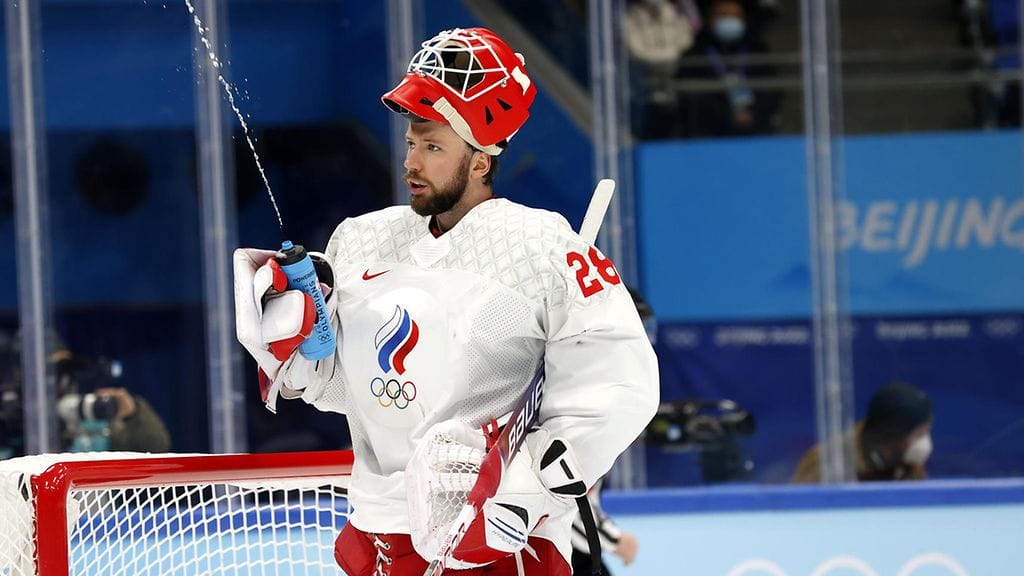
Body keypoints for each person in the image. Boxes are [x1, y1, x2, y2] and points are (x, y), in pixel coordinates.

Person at [234, 27, 659, 576]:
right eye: (413, 142)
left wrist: (523, 489)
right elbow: (353, 392)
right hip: (379, 531)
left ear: (481, 160)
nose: (412, 160)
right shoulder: (360, 240)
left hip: (499, 539)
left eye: (433, 147)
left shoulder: (545, 247)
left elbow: (621, 385)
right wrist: (302, 353)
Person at [791, 381, 934, 483]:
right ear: (892, 436)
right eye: (919, 434)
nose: (924, 443)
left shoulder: (908, 464)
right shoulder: (828, 464)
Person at [677, 0, 781, 137]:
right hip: (707, 133)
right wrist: (726, 114)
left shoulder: (757, 50)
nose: (729, 19)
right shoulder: (696, 52)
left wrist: (754, 113)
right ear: (710, 19)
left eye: (735, 15)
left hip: (757, 131)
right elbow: (691, 94)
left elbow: (773, 89)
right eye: (723, 14)